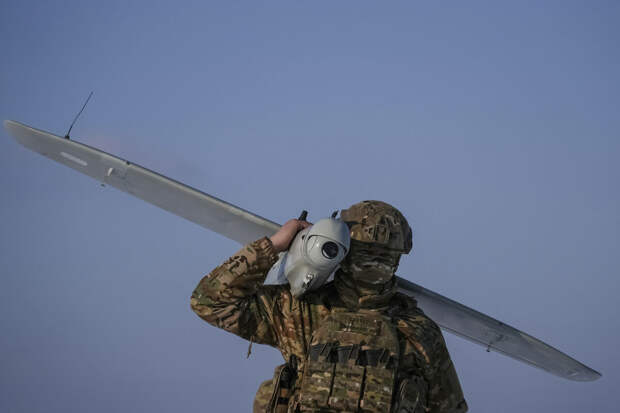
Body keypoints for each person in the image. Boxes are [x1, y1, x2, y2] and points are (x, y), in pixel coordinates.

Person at [191, 201, 467, 412]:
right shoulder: (419, 330)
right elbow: (450, 407)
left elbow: (210, 301)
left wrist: (274, 245)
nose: (375, 261)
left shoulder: (298, 309)